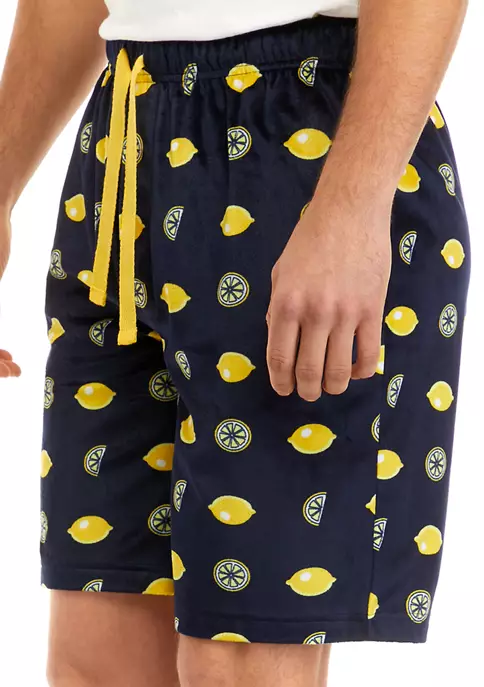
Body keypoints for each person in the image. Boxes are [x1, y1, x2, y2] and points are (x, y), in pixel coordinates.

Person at [0, 0, 471, 685]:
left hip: (303, 139)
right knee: (95, 656)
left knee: (239, 662)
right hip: (122, 147)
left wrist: (352, 206)